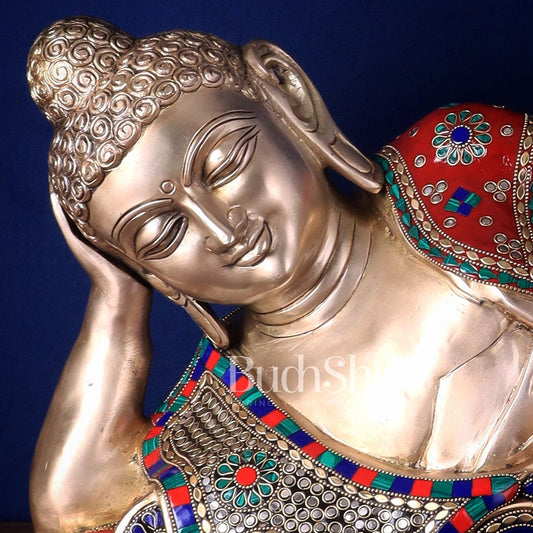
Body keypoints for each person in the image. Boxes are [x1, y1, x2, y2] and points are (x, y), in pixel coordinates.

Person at [27, 17, 533, 533]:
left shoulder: (458, 160)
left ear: (289, 102)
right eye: (163, 234)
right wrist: (116, 300)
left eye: (224, 165)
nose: (222, 230)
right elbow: (72, 512)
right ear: (156, 275)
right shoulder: (222, 428)